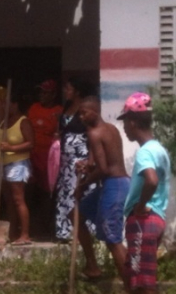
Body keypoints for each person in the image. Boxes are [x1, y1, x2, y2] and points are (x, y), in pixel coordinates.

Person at [119, 92, 170, 294]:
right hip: (154, 219)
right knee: (135, 276)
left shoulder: (145, 153)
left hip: (144, 221)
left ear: (133, 122)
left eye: (125, 122)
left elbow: (151, 181)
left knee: (144, 279)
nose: (124, 128)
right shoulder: (158, 149)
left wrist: (139, 206)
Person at [75, 96, 130, 282]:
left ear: (95, 112)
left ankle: (132, 287)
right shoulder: (111, 129)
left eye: (84, 113)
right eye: (79, 113)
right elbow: (98, 162)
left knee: (112, 239)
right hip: (116, 184)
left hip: (114, 185)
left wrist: (83, 185)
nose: (81, 117)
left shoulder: (95, 133)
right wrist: (86, 166)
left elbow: (104, 169)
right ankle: (92, 266)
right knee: (76, 216)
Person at [54, 77, 96, 243]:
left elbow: (92, 136)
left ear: (77, 91)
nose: (66, 91)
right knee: (65, 192)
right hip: (66, 159)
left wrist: (90, 161)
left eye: (68, 88)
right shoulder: (67, 106)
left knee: (79, 192)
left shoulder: (86, 109)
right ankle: (65, 232)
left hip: (81, 159)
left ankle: (83, 233)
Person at [0, 100, 35, 245]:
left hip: (17, 164)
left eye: (6, 103)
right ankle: (12, 233)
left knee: (18, 199)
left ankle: (25, 234)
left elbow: (30, 143)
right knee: (8, 200)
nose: (3, 106)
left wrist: (11, 147)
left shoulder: (23, 122)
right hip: (2, 164)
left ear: (15, 104)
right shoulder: (3, 122)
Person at [27, 80, 61, 235]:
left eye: (46, 93)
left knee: (47, 194)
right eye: (40, 92)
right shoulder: (34, 108)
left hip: (48, 159)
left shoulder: (58, 110)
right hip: (31, 157)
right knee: (29, 191)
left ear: (53, 95)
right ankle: (30, 226)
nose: (42, 95)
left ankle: (46, 227)